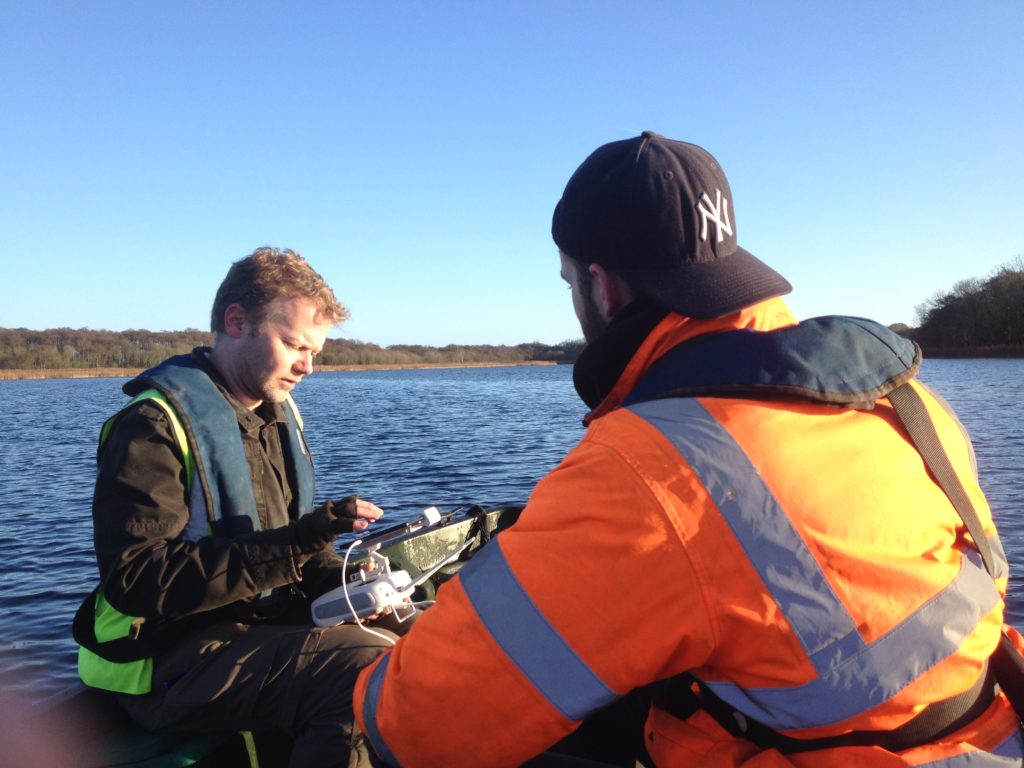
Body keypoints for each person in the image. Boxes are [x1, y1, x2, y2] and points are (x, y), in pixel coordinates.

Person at [351, 132, 1024, 766]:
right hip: (994, 731)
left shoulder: (648, 468)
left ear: (601, 286)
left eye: (569, 284)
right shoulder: (902, 401)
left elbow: (414, 728)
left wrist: (353, 668)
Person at [74, 247, 396, 767]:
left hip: (251, 630)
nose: (307, 366)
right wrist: (296, 544)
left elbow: (298, 555)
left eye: (314, 351)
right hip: (165, 661)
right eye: (293, 344)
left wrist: (348, 583)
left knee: (424, 634)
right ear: (237, 322)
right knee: (363, 670)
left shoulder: (277, 415)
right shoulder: (151, 427)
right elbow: (136, 579)